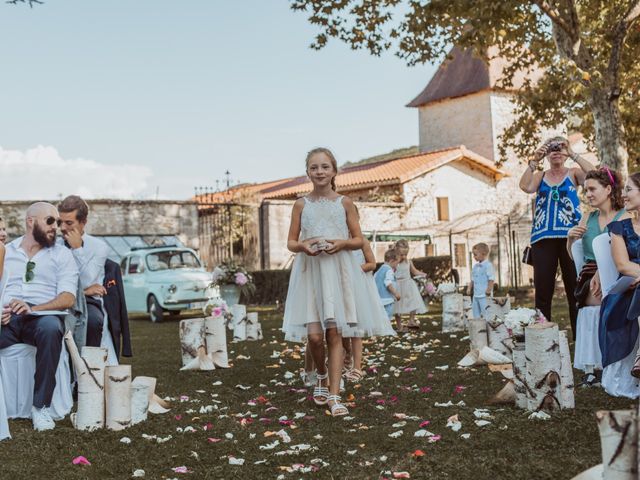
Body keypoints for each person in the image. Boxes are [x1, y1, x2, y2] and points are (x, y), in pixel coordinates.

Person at [282, 147, 368, 417]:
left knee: (334, 333)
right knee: (315, 337)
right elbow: (291, 242)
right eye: (314, 167)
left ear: (334, 171)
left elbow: (358, 239)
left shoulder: (345, 202)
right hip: (310, 272)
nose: (319, 172)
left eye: (324, 167)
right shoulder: (300, 204)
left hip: (338, 270)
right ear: (307, 172)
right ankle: (319, 374)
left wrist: (341, 243)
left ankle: (334, 395)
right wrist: (304, 246)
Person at [0, 202, 79, 430]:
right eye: (50, 220)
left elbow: (67, 298)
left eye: (59, 222)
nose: (56, 226)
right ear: (30, 221)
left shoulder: (62, 254)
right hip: (8, 318)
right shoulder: (8, 250)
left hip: (42, 317)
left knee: (50, 328)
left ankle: (40, 407)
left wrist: (32, 308)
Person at [519, 136, 595, 338]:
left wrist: (572, 153)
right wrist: (534, 161)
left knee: (575, 288)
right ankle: (542, 337)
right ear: (546, 153)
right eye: (551, 148)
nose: (556, 151)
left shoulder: (573, 174)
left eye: (559, 147)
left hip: (571, 238)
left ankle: (581, 339)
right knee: (543, 290)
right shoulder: (541, 175)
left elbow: (595, 174)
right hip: (542, 238)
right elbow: (525, 186)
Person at [567, 168, 626, 386]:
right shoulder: (587, 217)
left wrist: (604, 270)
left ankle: (610, 362)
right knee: (591, 300)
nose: (588, 194)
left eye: (592, 189)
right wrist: (569, 239)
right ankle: (594, 366)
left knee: (602, 295)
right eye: (585, 190)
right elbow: (576, 255)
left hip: (619, 269)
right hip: (589, 272)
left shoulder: (625, 214)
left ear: (609, 189)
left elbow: (627, 249)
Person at [598, 172, 640, 398]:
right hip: (627, 291)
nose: (623, 194)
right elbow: (623, 266)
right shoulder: (618, 228)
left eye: (629, 189)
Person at [58, 195, 110, 348]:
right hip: (58, 297)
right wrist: (86, 291)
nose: (62, 228)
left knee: (93, 321)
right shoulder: (54, 244)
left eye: (69, 223)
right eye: (60, 222)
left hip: (88, 303)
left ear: (83, 222)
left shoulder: (99, 247)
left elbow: (87, 280)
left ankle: (89, 368)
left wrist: (77, 249)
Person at [343, 238, 396, 382]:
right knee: (341, 328)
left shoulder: (362, 242)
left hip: (358, 288)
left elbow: (372, 264)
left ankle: (357, 367)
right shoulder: (338, 241)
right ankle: (346, 355)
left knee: (356, 328)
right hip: (341, 286)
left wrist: (354, 269)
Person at [393, 239, 427, 332]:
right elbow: (391, 271)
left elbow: (414, 271)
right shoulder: (394, 262)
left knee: (414, 301)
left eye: (405, 255)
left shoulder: (409, 262)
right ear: (396, 252)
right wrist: (397, 261)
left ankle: (411, 320)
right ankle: (399, 326)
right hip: (397, 286)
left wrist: (422, 274)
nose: (403, 257)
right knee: (397, 306)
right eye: (401, 255)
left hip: (408, 284)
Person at [467, 243, 495, 319]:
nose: (474, 257)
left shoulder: (488, 265)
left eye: (475, 254)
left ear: (483, 254)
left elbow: (491, 279)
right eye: (473, 254)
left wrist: (489, 290)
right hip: (476, 295)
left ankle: (488, 327)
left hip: (484, 295)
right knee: (475, 312)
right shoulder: (475, 267)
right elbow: (472, 279)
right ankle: (478, 328)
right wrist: (469, 288)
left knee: (486, 312)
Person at [374, 248, 401, 322]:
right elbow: (388, 283)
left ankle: (381, 329)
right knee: (387, 316)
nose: (397, 265)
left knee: (380, 317)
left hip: (378, 299)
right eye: (397, 263)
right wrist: (396, 293)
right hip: (387, 299)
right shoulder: (389, 270)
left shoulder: (379, 270)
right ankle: (386, 329)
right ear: (392, 261)